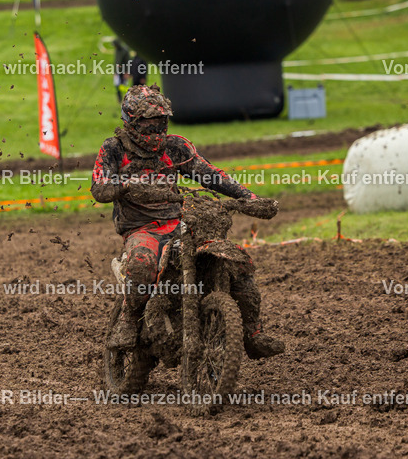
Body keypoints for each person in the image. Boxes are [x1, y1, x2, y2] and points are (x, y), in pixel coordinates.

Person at [90, 85, 285, 357]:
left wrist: (249, 198)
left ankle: (252, 332)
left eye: (161, 123)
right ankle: (127, 319)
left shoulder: (176, 147)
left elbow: (211, 175)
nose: (156, 130)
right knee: (143, 262)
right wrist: (124, 185)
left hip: (180, 221)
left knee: (237, 261)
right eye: (148, 124)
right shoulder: (114, 149)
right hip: (141, 228)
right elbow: (99, 188)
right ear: (131, 123)